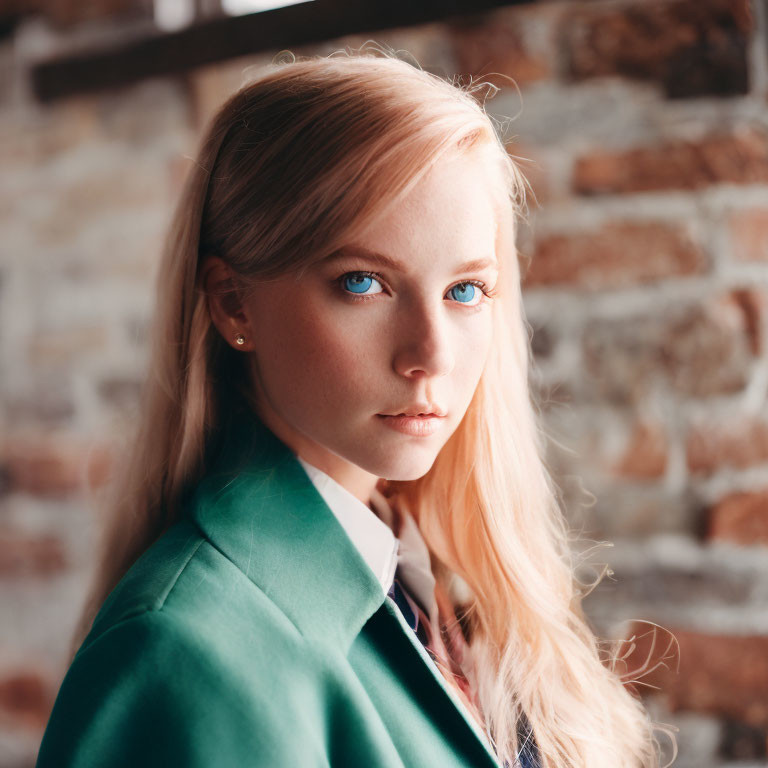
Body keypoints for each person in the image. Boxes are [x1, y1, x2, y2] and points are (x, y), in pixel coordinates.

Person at [35, 44, 675, 768]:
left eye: (466, 291)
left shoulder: (435, 576)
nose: (430, 354)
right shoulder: (186, 651)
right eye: (364, 284)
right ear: (232, 301)